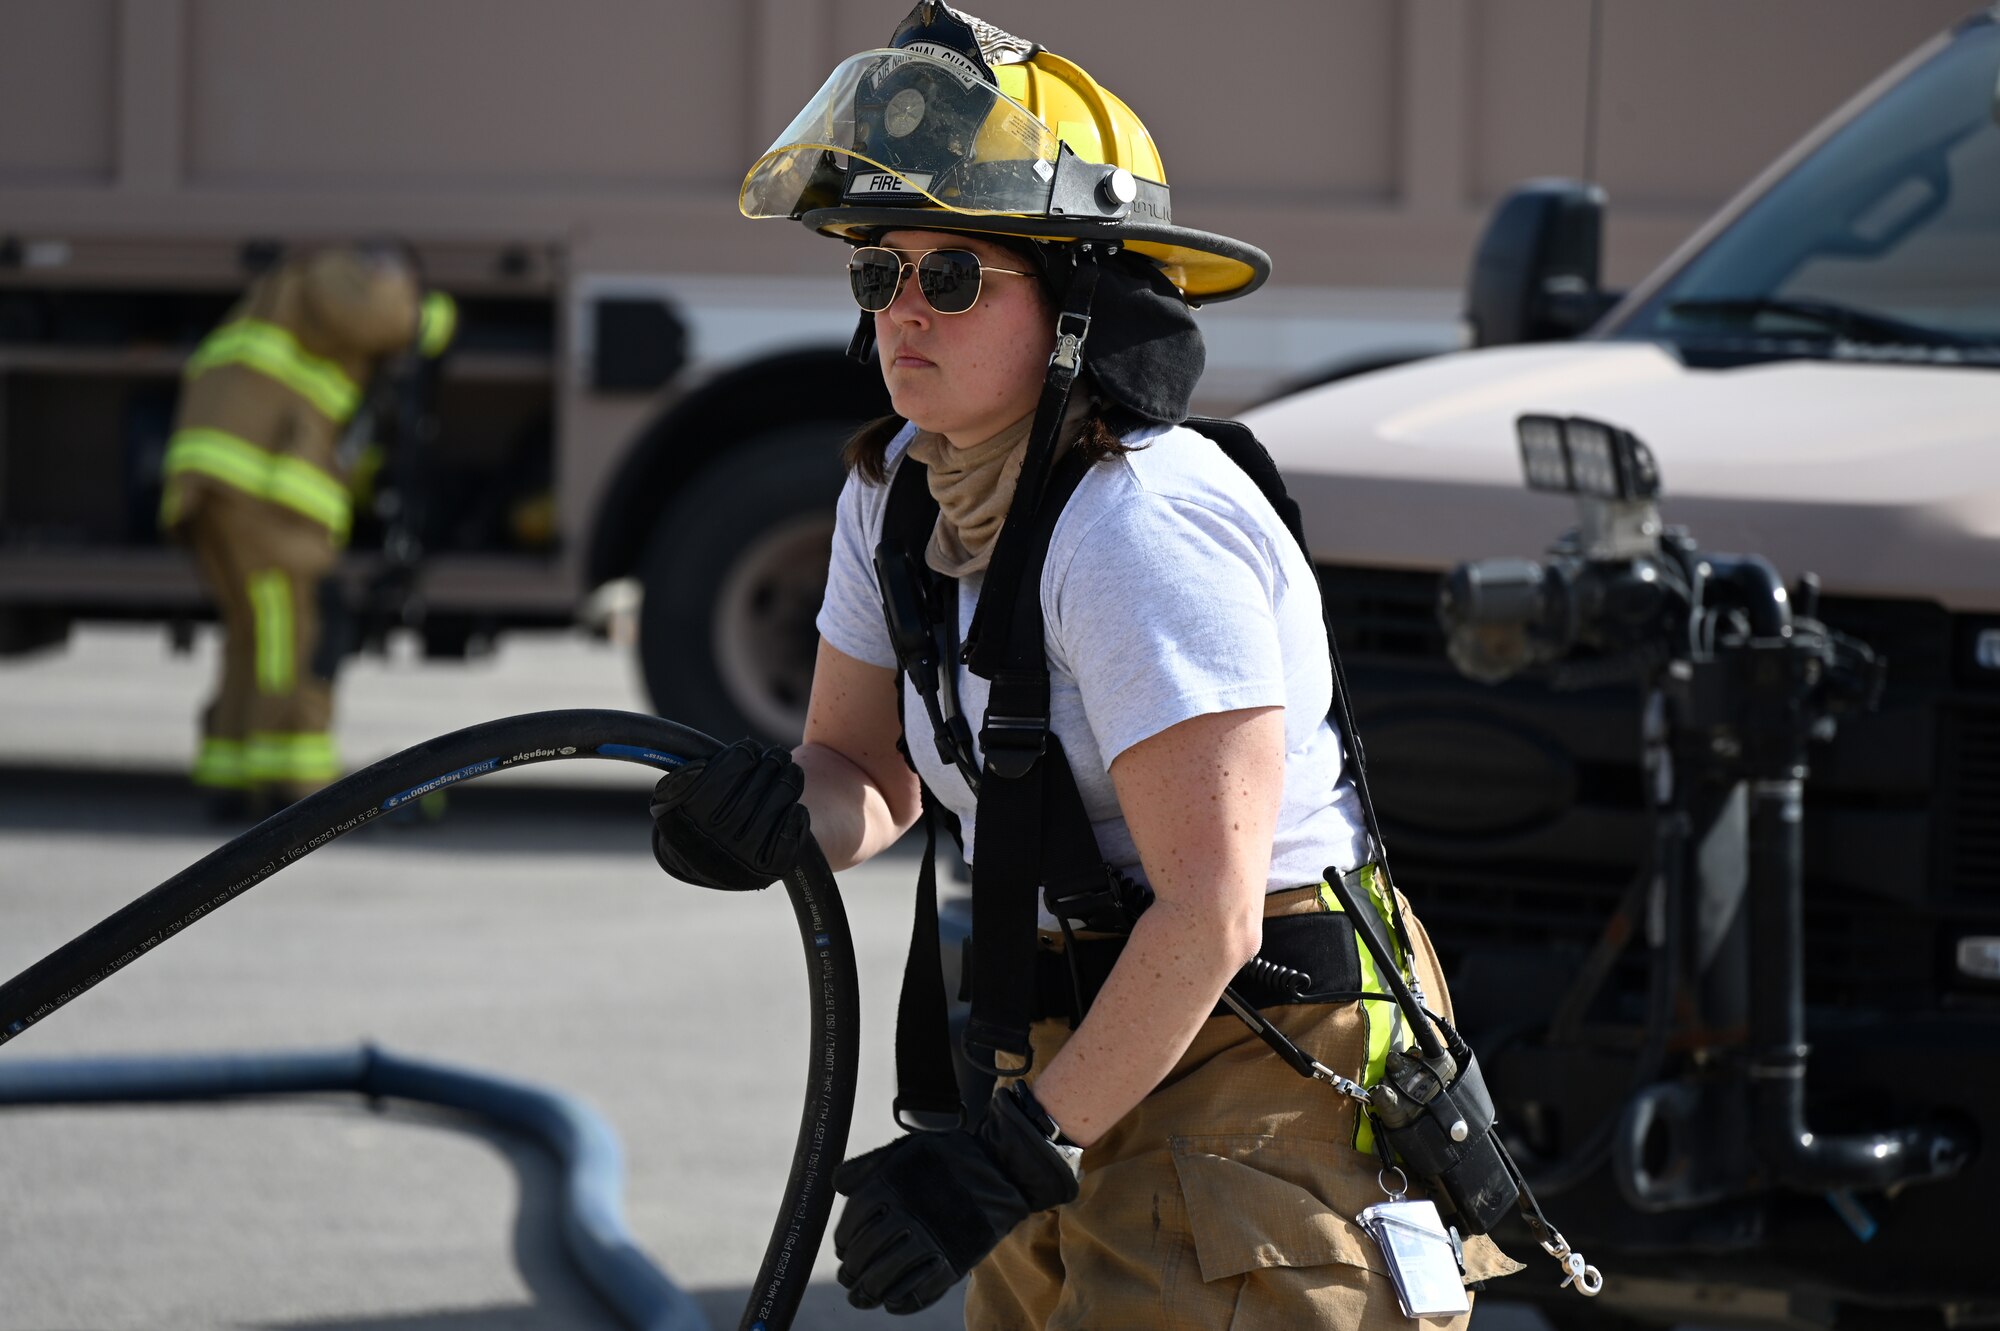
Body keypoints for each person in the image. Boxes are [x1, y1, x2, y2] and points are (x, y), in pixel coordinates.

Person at [650, 4, 1520, 1325]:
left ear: (1077, 305)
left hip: (1260, 1049)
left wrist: (1015, 1151)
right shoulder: (891, 492)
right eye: (880, 274)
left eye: (953, 277)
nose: (902, 313)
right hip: (1058, 1045)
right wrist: (769, 818)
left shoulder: (1139, 524)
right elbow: (864, 771)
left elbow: (1212, 912)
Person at [160, 242, 456, 819]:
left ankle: (230, 771)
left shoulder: (285, 307)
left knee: (254, 633)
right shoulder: (326, 276)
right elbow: (382, 317)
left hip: (225, 483)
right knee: (293, 634)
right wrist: (431, 317)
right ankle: (297, 786)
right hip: (261, 488)